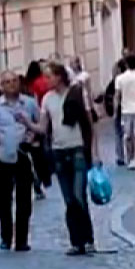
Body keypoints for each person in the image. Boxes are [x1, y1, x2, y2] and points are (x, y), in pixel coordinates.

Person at [0, 70, 41, 251]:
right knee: (4, 199)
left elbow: (41, 127)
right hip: (2, 158)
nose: (12, 84)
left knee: (24, 199)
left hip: (23, 155)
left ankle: (22, 240)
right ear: (1, 86)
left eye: (15, 81)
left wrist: (34, 139)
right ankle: (6, 237)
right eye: (7, 82)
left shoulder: (29, 103)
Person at [40, 62, 94, 254]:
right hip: (59, 151)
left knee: (79, 195)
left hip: (77, 148)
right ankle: (76, 241)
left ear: (59, 76)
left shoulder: (77, 93)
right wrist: (27, 125)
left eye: (49, 76)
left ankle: (88, 238)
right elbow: (43, 127)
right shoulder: (46, 99)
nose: (46, 81)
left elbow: (88, 123)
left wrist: (94, 153)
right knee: (69, 199)